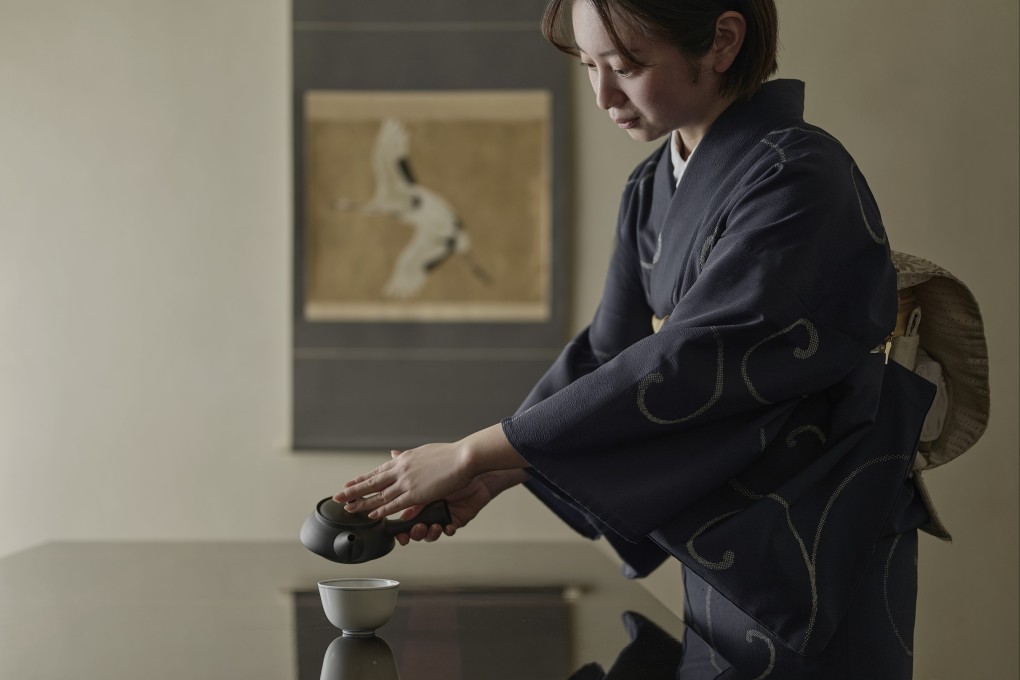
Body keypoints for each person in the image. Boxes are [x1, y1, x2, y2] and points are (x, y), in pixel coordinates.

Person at [333, 1, 938, 677]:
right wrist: (508, 468)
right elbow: (607, 352)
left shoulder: (799, 174)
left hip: (817, 524)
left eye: (626, 66)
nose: (603, 95)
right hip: (727, 533)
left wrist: (478, 450)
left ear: (723, 40)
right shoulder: (652, 184)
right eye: (590, 66)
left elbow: (690, 361)